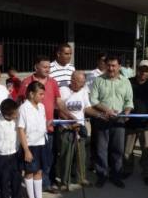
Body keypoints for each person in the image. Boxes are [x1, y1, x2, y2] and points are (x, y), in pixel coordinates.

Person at [18, 55, 74, 193]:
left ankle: (46, 183)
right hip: (30, 135)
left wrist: (68, 115)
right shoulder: (26, 82)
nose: (47, 69)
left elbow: (59, 101)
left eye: (49, 67)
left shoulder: (53, 82)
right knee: (31, 165)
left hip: (47, 129)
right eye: (44, 67)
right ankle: (35, 189)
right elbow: (20, 103)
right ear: (36, 67)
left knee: (48, 159)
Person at [90, 55, 134, 188]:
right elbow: (93, 100)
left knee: (118, 150)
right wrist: (106, 110)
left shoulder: (125, 81)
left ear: (119, 66)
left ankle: (116, 175)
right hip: (102, 119)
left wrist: (127, 111)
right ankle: (102, 175)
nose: (111, 68)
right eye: (108, 65)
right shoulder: (98, 80)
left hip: (119, 120)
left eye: (114, 65)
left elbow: (129, 101)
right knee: (101, 149)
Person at [58, 71, 103, 191]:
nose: (82, 85)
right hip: (66, 128)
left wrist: (99, 114)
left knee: (81, 155)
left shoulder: (83, 91)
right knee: (66, 156)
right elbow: (60, 109)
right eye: (80, 82)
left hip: (80, 128)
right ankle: (64, 182)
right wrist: (70, 122)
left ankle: (81, 178)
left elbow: (87, 108)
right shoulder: (63, 90)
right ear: (72, 80)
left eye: (83, 82)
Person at [122, 60, 148, 186]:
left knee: (147, 151)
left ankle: (147, 174)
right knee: (127, 151)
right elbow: (122, 98)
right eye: (141, 70)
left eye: (146, 70)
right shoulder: (128, 82)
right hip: (130, 123)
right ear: (137, 69)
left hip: (146, 124)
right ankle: (127, 170)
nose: (143, 73)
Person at [18, 81, 48, 198]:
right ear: (31, 94)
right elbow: (21, 130)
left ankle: (38, 196)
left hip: (41, 143)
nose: (43, 97)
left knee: (39, 171)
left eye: (43, 94)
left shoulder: (41, 107)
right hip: (30, 145)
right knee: (29, 172)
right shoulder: (23, 108)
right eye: (40, 94)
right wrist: (26, 150)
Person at [85, 52, 106, 169]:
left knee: (106, 138)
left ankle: (104, 161)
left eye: (106, 61)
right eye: (102, 60)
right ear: (98, 61)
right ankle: (93, 161)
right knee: (96, 138)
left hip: (109, 110)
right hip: (96, 110)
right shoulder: (92, 75)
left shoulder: (110, 74)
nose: (104, 63)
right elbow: (88, 93)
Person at [0, 99, 22, 198]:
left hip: (15, 154)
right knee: (3, 181)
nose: (17, 114)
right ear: (7, 114)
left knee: (16, 180)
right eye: (15, 113)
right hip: (2, 157)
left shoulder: (16, 122)